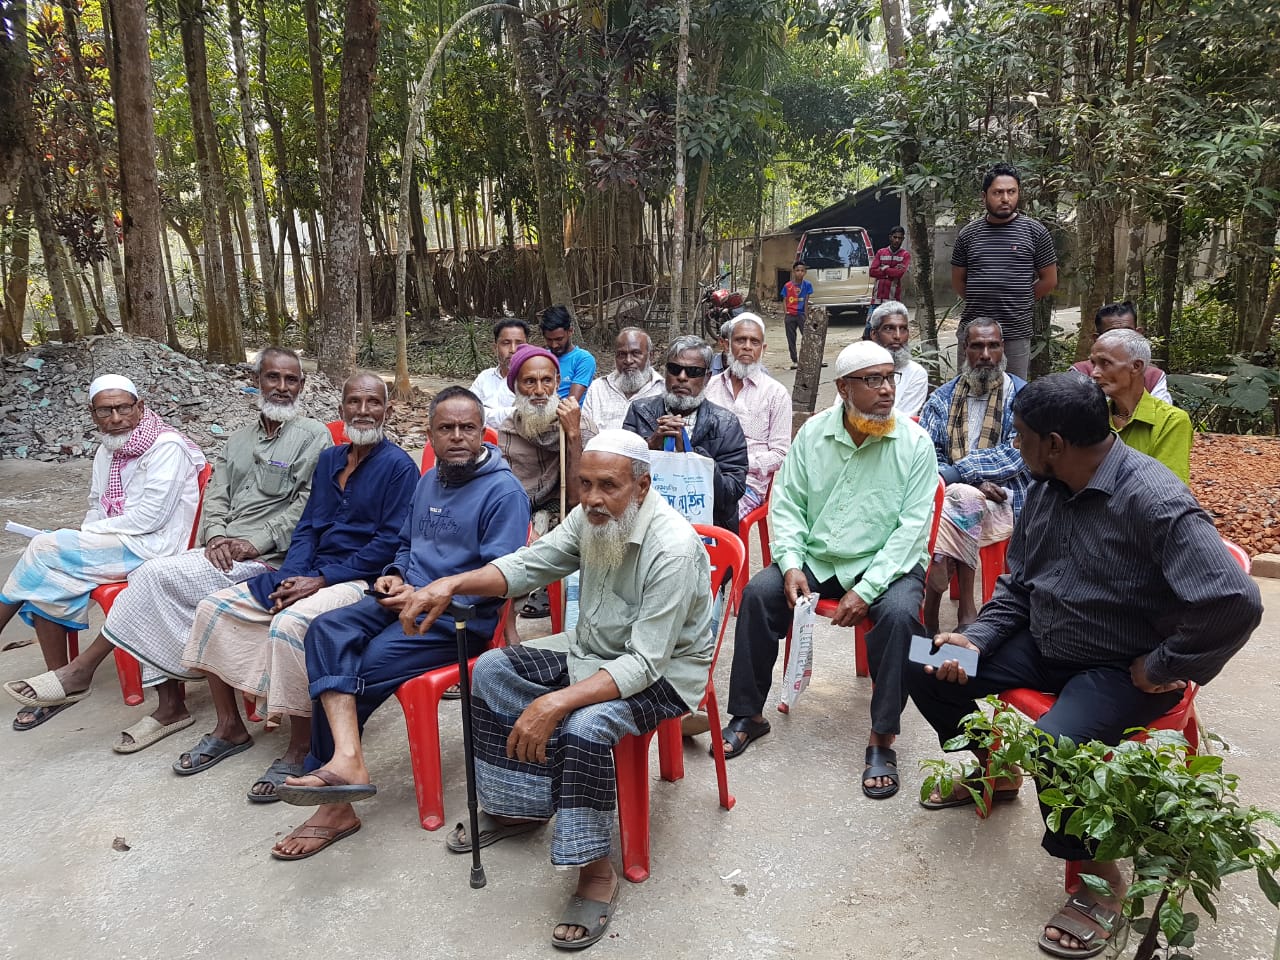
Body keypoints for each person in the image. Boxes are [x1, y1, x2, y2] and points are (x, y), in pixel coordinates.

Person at [908, 373, 1261, 959]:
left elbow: (1236, 601)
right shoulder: (1047, 485)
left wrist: (1164, 663)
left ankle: (1100, 881)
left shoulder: (1154, 500)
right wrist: (977, 638)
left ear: (1053, 443)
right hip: (1045, 641)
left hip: (1118, 667)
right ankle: (996, 772)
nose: (1014, 446)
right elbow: (1019, 584)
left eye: (1020, 436)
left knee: (1056, 744)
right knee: (921, 659)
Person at [399, 429, 713, 951]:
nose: (592, 498)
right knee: (492, 669)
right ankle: (518, 807)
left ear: (641, 486)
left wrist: (556, 701)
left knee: (584, 724)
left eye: (608, 485)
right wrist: (452, 583)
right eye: (584, 484)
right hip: (591, 648)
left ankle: (596, 870)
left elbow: (645, 662)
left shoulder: (672, 549)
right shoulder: (590, 518)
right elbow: (529, 565)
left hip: (663, 674)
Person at [5, 348, 330, 753]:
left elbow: (309, 503)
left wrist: (256, 541)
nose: (281, 387)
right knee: (150, 580)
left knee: (151, 575)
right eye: (273, 378)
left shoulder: (313, 435)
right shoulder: (238, 440)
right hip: (219, 551)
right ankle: (170, 705)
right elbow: (216, 495)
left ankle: (86, 672)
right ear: (257, 381)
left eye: (291, 380)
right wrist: (215, 535)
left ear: (301, 385)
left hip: (267, 558)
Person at [269, 387, 530, 860]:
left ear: (482, 432)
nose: (457, 437)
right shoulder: (428, 480)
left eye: (467, 428)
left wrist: (435, 594)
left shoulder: (504, 492)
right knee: (324, 631)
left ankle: (335, 803)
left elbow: (500, 578)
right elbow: (407, 545)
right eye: (446, 428)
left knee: (358, 667)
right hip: (403, 600)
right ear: (430, 433)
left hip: (459, 619)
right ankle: (346, 762)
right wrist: (393, 575)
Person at [174, 373, 417, 798]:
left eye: (373, 403)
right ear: (341, 410)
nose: (363, 411)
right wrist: (293, 575)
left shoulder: (400, 467)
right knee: (214, 608)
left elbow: (389, 544)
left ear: (388, 410)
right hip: (309, 572)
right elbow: (307, 526)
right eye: (354, 402)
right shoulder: (331, 460)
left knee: (292, 624)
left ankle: (302, 746)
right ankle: (230, 727)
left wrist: (318, 581)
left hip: (356, 579)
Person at [720, 341, 938, 801]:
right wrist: (790, 564)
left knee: (900, 616)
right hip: (820, 557)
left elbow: (912, 530)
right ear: (843, 388)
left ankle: (882, 738)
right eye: (873, 380)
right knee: (758, 594)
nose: (886, 389)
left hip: (888, 564)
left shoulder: (915, 443)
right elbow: (786, 504)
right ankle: (748, 715)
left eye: (890, 378)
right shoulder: (814, 435)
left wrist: (868, 589)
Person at [1, 375, 205, 731]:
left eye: (123, 408)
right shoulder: (107, 449)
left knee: (44, 549)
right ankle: (58, 680)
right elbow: (96, 505)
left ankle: (67, 679)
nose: (115, 418)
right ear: (92, 414)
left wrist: (83, 536)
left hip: (154, 546)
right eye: (105, 411)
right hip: (118, 541)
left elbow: (150, 518)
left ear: (140, 407)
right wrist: (83, 537)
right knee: (48, 571)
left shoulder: (166, 447)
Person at [918, 319, 1029, 635]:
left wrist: (960, 473)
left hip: (1008, 492)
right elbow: (928, 453)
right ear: (964, 349)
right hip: (956, 491)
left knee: (961, 501)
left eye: (993, 346)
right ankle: (966, 609)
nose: (985, 355)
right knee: (965, 498)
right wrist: (970, 481)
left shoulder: (1021, 395)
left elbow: (1018, 453)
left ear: (1003, 348)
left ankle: (934, 600)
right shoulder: (942, 398)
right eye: (977, 346)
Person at [494, 344, 598, 625]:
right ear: (516, 386)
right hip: (524, 514)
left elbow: (578, 500)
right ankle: (506, 621)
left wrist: (573, 436)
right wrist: (525, 526)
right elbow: (506, 494)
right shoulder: (509, 428)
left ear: (557, 382)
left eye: (547, 381)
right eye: (530, 382)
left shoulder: (581, 425)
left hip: (570, 515)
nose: (539, 390)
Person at [622, 335, 748, 533]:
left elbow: (731, 493)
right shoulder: (640, 411)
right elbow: (620, 477)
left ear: (707, 378)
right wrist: (650, 447)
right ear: (665, 373)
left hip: (705, 529)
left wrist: (692, 455)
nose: (682, 377)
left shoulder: (726, 423)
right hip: (645, 526)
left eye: (693, 372)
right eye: (675, 369)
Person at [951, 162, 1058, 380]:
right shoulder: (968, 234)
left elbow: (1049, 280)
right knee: (968, 389)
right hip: (974, 332)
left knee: (1014, 391)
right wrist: (983, 298)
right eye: (998, 192)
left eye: (1011, 192)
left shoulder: (1035, 232)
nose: (1005, 198)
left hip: (1015, 332)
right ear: (984, 196)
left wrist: (1020, 300)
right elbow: (959, 282)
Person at [703, 313, 792, 518]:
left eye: (755, 342)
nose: (747, 347)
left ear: (763, 349)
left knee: (710, 514)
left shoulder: (776, 394)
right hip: (706, 477)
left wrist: (739, 463)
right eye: (740, 340)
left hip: (748, 485)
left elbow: (781, 454)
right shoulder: (710, 387)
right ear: (726, 345)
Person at [1088, 329, 1192, 482]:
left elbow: (1167, 487)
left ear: (1136, 366)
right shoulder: (1090, 416)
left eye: (1105, 363)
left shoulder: (1170, 421)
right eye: (1093, 363)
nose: (1094, 373)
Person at [1070, 301, 1172, 402]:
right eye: (1112, 335)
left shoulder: (1153, 376)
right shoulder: (1081, 372)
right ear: (1097, 338)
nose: (1121, 340)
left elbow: (1161, 409)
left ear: (1138, 334)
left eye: (1127, 333)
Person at [580, 327, 663, 431]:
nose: (628, 361)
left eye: (636, 353)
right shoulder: (597, 389)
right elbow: (585, 432)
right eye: (621, 354)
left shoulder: (663, 391)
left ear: (651, 356)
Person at [865, 300, 928, 416]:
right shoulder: (860, 368)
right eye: (889, 328)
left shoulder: (916, 374)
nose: (897, 336)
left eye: (903, 329)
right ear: (874, 334)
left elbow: (902, 421)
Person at [469, 318, 530, 427]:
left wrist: (482, 413)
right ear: (495, 348)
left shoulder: (533, 381)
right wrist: (510, 413)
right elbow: (466, 409)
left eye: (519, 343)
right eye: (506, 343)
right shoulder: (485, 377)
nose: (513, 350)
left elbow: (525, 415)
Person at [540, 304, 596, 401]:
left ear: (570, 331)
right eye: (549, 340)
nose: (554, 345)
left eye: (559, 339)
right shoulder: (542, 358)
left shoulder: (583, 359)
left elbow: (571, 402)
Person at [781, 260, 814, 369]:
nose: (800, 273)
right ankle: (795, 360)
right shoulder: (787, 286)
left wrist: (806, 316)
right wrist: (786, 313)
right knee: (791, 338)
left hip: (801, 315)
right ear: (793, 272)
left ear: (805, 272)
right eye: (797, 270)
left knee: (807, 337)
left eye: (802, 270)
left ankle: (810, 358)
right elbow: (784, 300)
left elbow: (806, 301)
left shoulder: (807, 285)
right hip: (790, 315)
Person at [869, 226, 911, 305]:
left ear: (903, 239)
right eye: (895, 237)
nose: (897, 240)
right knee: (872, 314)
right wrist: (891, 271)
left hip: (893, 300)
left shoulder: (905, 255)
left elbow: (898, 274)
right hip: (876, 299)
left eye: (900, 238)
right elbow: (872, 272)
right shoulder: (881, 252)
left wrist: (884, 268)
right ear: (890, 237)